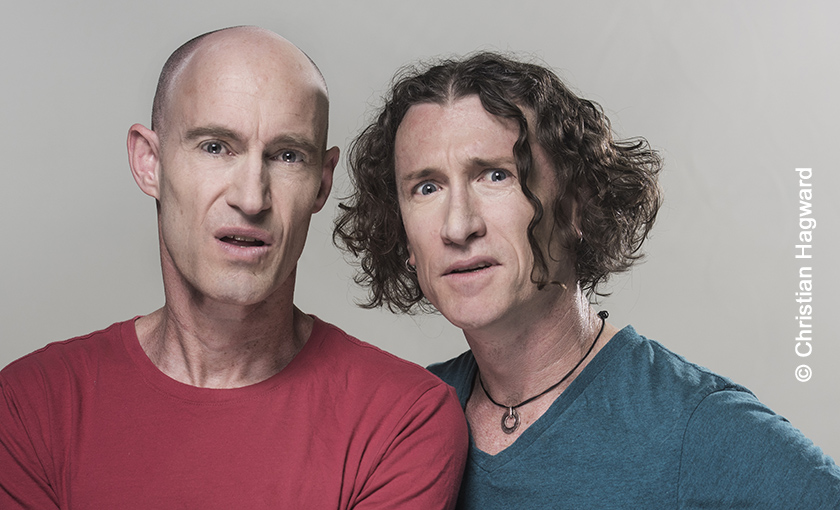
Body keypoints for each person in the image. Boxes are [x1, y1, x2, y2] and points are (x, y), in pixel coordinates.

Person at [334, 52, 840, 508]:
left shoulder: (699, 428)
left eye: (496, 175)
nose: (457, 226)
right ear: (405, 236)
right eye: (427, 188)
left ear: (576, 206)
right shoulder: (399, 421)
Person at [0, 27, 467, 509]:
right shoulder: (28, 406)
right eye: (215, 147)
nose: (251, 197)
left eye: (287, 156)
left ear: (321, 184)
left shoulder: (402, 419)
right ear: (149, 162)